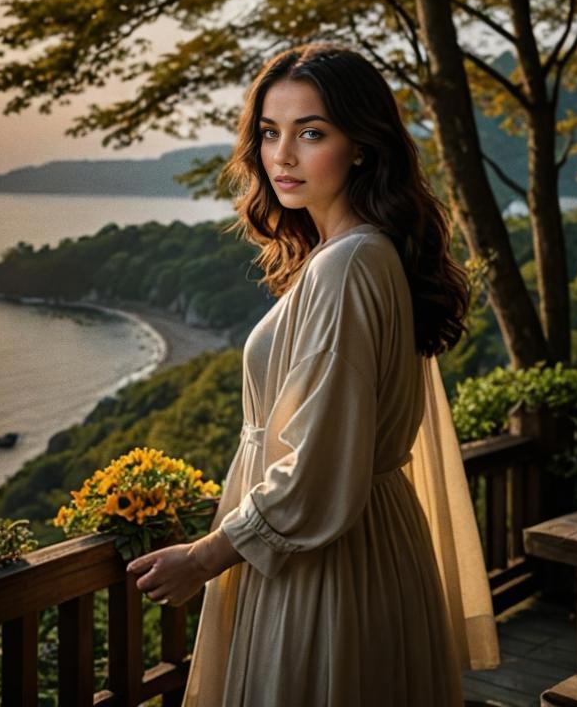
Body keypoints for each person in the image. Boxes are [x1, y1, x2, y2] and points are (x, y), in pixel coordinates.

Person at [127, 41, 500, 705]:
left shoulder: (347, 266)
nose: (283, 156)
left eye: (312, 133)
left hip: (325, 561)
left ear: (361, 145)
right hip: (365, 543)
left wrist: (205, 556)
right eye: (270, 133)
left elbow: (320, 464)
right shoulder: (365, 253)